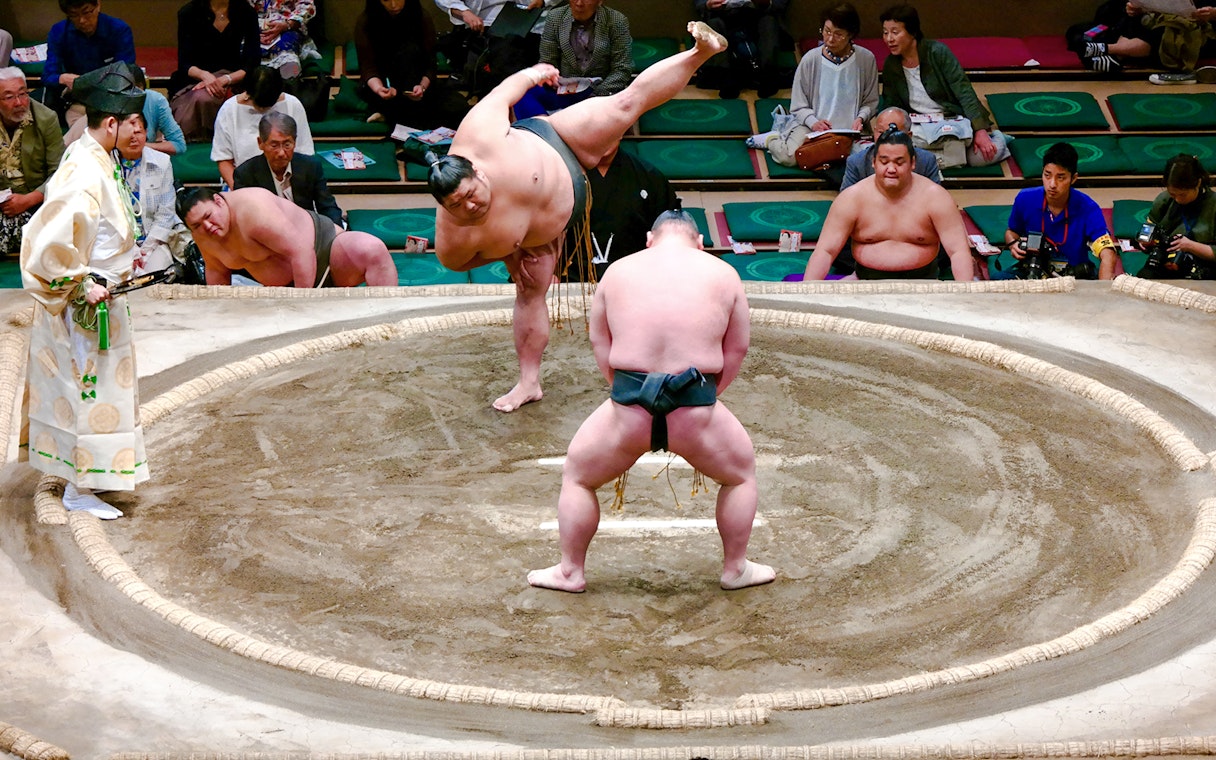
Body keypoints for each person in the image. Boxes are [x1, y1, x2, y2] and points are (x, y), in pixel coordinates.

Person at [430, 21, 728, 413]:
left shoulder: (479, 133)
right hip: (541, 235)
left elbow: (504, 91)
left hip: (558, 141)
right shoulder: (453, 237)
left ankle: (700, 52)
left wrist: (534, 73)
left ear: (479, 173)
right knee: (528, 292)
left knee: (625, 104)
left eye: (471, 195)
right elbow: (458, 263)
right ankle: (528, 382)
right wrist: (508, 253)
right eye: (458, 207)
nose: (470, 207)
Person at [527, 210, 775, 593]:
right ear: (700, 243)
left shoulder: (618, 271)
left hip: (629, 406)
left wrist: (627, 392)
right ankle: (735, 569)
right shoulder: (724, 273)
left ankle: (570, 571)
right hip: (696, 407)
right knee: (740, 475)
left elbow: (600, 342)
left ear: (649, 239)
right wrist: (705, 398)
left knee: (578, 476)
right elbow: (737, 348)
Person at [20, 62, 149, 520]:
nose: (137, 131)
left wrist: (124, 256)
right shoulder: (82, 170)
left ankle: (95, 474)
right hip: (86, 301)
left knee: (104, 389)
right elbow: (45, 243)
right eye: (131, 123)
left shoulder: (99, 157)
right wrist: (80, 283)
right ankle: (78, 488)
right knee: (86, 388)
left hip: (107, 291)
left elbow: (102, 229)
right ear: (110, 123)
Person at [802, 126, 973, 281]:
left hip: (924, 282)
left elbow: (958, 251)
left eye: (899, 162)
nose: (891, 169)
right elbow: (825, 251)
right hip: (865, 281)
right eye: (884, 162)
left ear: (913, 163)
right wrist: (807, 292)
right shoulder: (852, 197)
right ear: (873, 162)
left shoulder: (935, 197)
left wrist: (966, 294)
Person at [178, 186, 398, 287]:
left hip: (324, 254)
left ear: (219, 201)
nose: (207, 226)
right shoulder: (204, 234)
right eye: (196, 225)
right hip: (279, 292)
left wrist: (302, 306)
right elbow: (217, 272)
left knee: (370, 249)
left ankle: (389, 323)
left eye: (208, 216)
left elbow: (301, 251)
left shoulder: (253, 209)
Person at [878, 3, 1009, 169]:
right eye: (885, 33)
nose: (889, 39)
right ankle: (949, 159)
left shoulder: (937, 52)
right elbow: (891, 104)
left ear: (913, 32)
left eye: (895, 32)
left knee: (982, 157)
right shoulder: (891, 64)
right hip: (919, 127)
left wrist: (980, 131)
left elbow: (964, 91)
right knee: (898, 155)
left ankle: (998, 139)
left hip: (951, 121)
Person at [764, 3, 877, 169]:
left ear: (851, 35)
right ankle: (771, 139)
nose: (830, 39)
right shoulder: (810, 59)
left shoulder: (866, 59)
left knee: (869, 161)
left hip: (851, 132)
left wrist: (861, 118)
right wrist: (813, 122)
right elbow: (798, 105)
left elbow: (871, 101)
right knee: (790, 157)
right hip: (813, 128)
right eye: (827, 31)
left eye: (838, 34)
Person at [1002, 142, 1119, 281]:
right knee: (998, 281)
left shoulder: (1088, 208)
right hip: (1034, 270)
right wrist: (1012, 244)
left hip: (1074, 275)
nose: (1052, 184)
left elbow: (1108, 253)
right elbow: (1011, 232)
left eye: (1060, 177)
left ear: (1073, 178)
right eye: (1047, 175)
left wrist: (1103, 290)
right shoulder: (1025, 199)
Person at [561, 144, 678, 282]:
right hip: (569, 280)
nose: (604, 138)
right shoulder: (561, 173)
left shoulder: (650, 177)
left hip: (637, 280)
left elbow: (670, 237)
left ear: (621, 133)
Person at [354, 0, 471, 132]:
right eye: (386, 0)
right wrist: (379, 89)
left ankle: (391, 116)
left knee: (459, 108)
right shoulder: (366, 21)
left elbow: (430, 63)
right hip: (385, 84)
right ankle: (393, 114)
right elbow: (368, 68)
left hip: (417, 82)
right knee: (413, 114)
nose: (393, 5)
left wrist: (422, 86)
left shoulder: (421, 17)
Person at [513, 0, 633, 119]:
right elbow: (547, 60)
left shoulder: (616, 21)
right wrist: (551, 78)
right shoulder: (556, 17)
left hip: (601, 88)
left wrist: (597, 95)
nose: (579, 3)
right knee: (520, 91)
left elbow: (622, 68)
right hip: (565, 86)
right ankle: (542, 127)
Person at [169, 0, 261, 142]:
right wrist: (206, 76)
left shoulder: (247, 12)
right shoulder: (188, 12)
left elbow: (252, 62)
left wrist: (226, 79)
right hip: (196, 78)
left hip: (236, 78)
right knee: (203, 98)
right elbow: (185, 63)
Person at [211, 65, 314, 188]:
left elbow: (305, 154)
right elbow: (223, 159)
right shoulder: (229, 109)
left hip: (287, 183)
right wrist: (241, 192)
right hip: (244, 184)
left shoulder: (293, 104)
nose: (263, 110)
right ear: (248, 93)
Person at [233, 112, 343, 227]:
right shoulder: (245, 174)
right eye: (274, 145)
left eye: (287, 145)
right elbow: (243, 219)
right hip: (265, 231)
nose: (281, 153)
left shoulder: (310, 166)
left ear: (294, 142)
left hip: (305, 229)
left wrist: (336, 233)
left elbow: (328, 207)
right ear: (260, 143)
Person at [0, 67, 64, 256]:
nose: (19, 102)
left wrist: (28, 200)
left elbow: (60, 172)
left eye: (23, 94)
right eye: (9, 97)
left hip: (36, 199)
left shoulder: (46, 119)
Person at [43, 0, 136, 126]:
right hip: (77, 100)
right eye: (74, 15)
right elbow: (48, 76)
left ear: (98, 5)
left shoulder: (119, 30)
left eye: (87, 12)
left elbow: (125, 74)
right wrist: (62, 78)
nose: (82, 20)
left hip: (111, 98)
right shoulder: (59, 31)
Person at [115, 112, 187, 274]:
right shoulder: (107, 164)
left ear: (146, 133)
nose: (134, 138)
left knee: (156, 273)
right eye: (128, 133)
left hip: (155, 240)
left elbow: (166, 213)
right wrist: (131, 248)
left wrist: (146, 249)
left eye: (138, 132)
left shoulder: (162, 162)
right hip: (118, 243)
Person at [63, 65, 188, 156]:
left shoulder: (155, 101)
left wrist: (141, 147)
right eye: (126, 93)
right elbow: (65, 148)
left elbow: (179, 145)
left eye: (136, 94)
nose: (131, 100)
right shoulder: (101, 108)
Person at [434, 0, 551, 91]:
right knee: (506, 54)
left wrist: (543, 1)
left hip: (533, 20)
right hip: (484, 24)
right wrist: (464, 12)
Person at [1136, 154, 1216, 279]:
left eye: (1183, 195)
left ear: (1198, 183)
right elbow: (1149, 227)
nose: (1177, 199)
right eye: (1173, 194)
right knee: (1142, 279)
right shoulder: (1164, 199)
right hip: (1168, 260)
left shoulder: (1213, 205)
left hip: (1204, 266)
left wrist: (1191, 246)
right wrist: (1145, 241)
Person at [695, 0, 790, 99]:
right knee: (714, 24)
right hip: (722, 14)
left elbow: (780, 4)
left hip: (759, 12)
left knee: (768, 22)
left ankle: (768, 74)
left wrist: (768, 3)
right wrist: (708, 4)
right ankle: (725, 77)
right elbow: (700, 3)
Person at [839, 106, 940, 190]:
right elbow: (845, 202)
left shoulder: (926, 161)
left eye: (893, 132)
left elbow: (937, 200)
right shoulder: (857, 162)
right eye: (881, 132)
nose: (886, 137)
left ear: (909, 136)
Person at [250, 0, 318, 79]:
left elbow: (306, 5)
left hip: (288, 26)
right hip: (255, 26)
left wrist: (288, 24)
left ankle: (290, 78)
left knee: (288, 56)